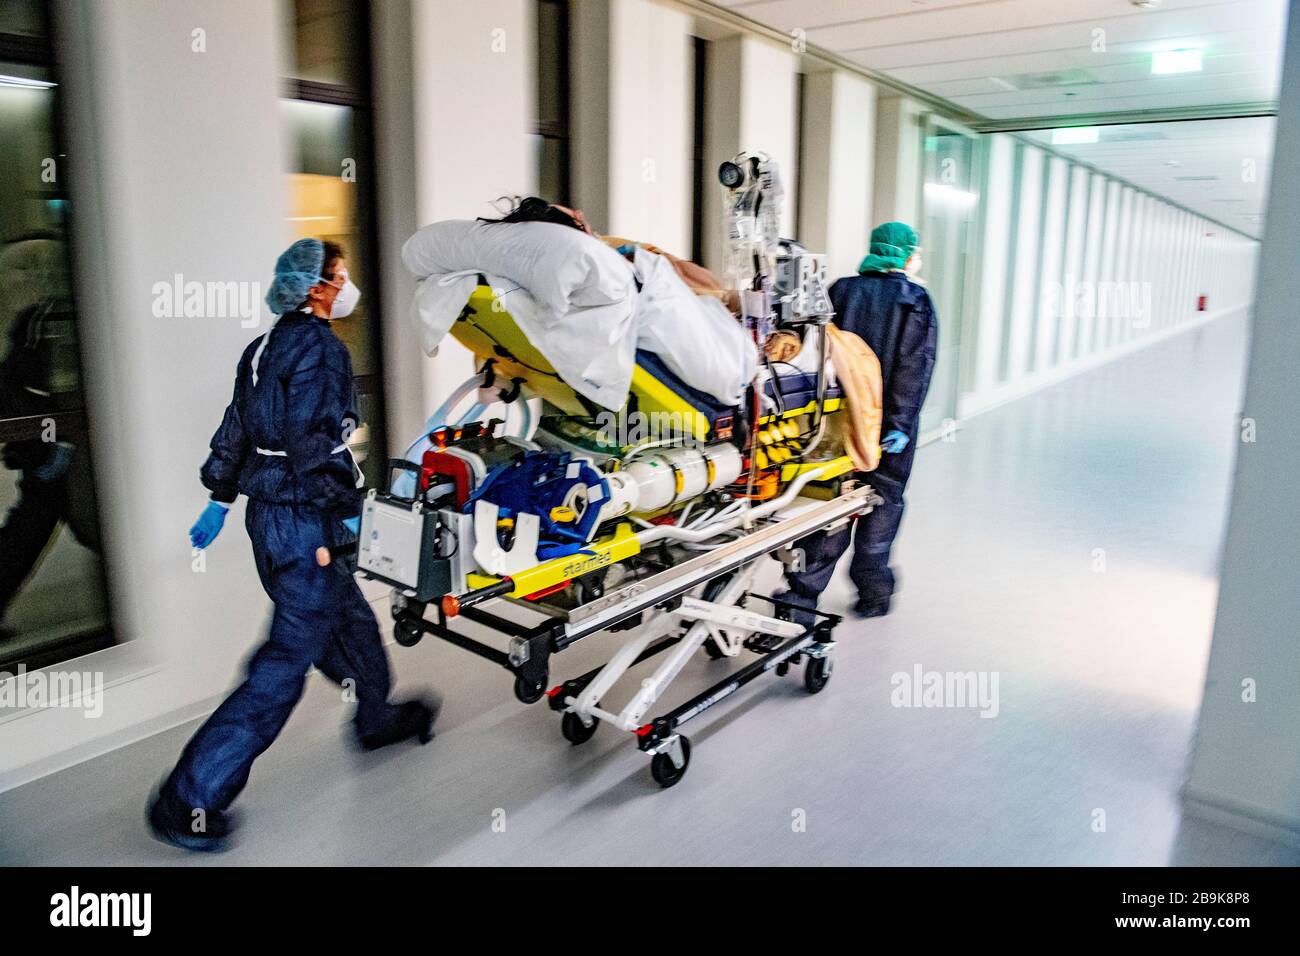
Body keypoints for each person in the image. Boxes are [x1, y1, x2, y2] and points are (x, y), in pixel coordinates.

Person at [148, 238, 438, 852]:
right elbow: (317, 445)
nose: (347, 284)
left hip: (269, 520)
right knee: (284, 665)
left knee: (351, 623)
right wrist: (350, 515)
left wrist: (220, 498)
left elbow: (235, 429)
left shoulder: (260, 350)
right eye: (340, 275)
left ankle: (378, 717)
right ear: (316, 287)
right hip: (309, 523)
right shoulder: (322, 350)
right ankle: (189, 799)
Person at [780, 222, 937, 620]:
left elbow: (819, 352)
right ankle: (873, 593)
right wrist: (899, 425)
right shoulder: (913, 298)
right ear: (905, 254)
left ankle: (801, 599)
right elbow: (913, 368)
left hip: (836, 423)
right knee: (881, 503)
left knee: (831, 504)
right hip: (885, 427)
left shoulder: (841, 290)